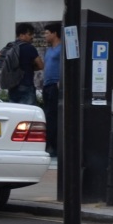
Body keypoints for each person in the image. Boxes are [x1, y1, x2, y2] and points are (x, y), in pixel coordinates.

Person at [0, 22, 42, 105]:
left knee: (16, 112)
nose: (32, 37)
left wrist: (3, 72)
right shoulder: (30, 48)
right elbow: (41, 65)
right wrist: (30, 67)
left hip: (12, 86)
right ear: (21, 35)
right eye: (29, 34)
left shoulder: (10, 47)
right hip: (26, 85)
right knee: (29, 114)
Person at [42, 23, 62, 156]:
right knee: (48, 115)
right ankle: (49, 143)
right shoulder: (49, 50)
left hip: (56, 84)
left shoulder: (62, 49)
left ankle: (54, 146)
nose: (45, 35)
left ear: (55, 33)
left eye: (47, 33)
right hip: (47, 85)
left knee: (53, 116)